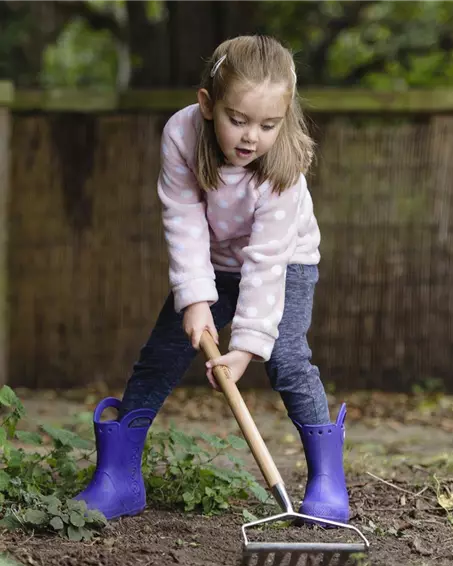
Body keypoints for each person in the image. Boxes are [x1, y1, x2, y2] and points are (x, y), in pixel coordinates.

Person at [75, 34, 349, 524]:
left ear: (285, 116)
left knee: (286, 358)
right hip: (211, 262)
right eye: (237, 120)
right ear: (207, 104)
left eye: (268, 125)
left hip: (285, 263)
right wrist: (196, 299)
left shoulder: (285, 167)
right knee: (160, 355)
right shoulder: (182, 134)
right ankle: (118, 479)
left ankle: (327, 480)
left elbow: (266, 261)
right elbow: (182, 219)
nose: (251, 137)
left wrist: (245, 345)